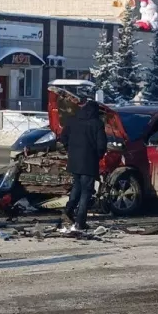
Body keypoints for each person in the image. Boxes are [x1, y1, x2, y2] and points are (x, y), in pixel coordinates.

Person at [59, 97, 107, 233]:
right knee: (86, 192)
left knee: (77, 187)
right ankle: (80, 221)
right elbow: (101, 145)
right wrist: (98, 155)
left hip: (74, 161)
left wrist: (70, 149)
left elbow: (63, 138)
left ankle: (68, 211)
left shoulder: (72, 120)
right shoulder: (97, 124)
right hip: (89, 162)